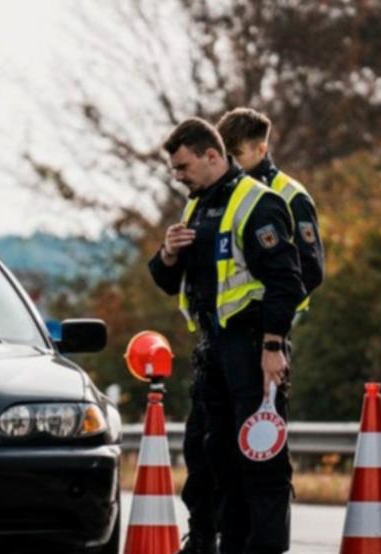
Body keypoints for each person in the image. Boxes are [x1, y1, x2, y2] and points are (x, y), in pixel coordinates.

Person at [147, 118, 304, 554]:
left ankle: (264, 548)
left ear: (212, 156)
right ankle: (213, 544)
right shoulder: (198, 206)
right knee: (208, 456)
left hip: (252, 346)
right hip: (212, 349)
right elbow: (166, 279)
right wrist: (168, 252)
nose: (178, 177)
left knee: (261, 459)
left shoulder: (258, 203)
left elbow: (285, 282)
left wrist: (273, 347)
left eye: (183, 167)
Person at [217, 108, 324, 310]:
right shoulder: (221, 194)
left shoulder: (292, 196)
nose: (230, 163)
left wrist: (275, 315)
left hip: (272, 324)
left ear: (261, 150)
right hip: (225, 327)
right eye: (225, 156)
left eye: (237, 155)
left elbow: (311, 270)